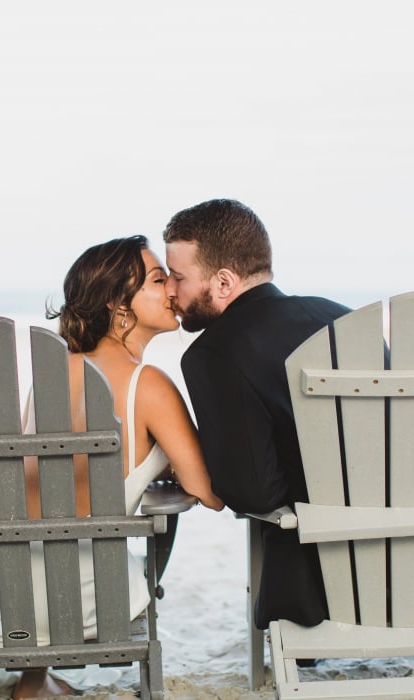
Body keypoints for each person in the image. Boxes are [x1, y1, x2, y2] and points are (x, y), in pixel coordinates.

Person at [0, 234, 223, 699]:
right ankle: (34, 682)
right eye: (159, 281)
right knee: (95, 552)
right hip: (81, 601)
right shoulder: (149, 386)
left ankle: (22, 681)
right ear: (119, 306)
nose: (174, 291)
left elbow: (38, 484)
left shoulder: (54, 374)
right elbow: (210, 494)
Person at [161, 198, 351, 631]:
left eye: (178, 277)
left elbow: (254, 496)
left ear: (223, 282)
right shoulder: (339, 317)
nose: (170, 290)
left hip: (328, 589)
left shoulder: (214, 354)